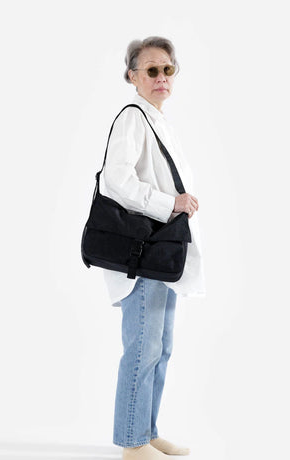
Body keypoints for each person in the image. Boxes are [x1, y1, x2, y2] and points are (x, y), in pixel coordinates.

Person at [99, 36, 206, 460]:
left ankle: (146, 430)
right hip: (141, 255)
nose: (162, 77)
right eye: (151, 70)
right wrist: (171, 203)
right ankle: (132, 443)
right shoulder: (132, 118)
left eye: (168, 69)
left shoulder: (159, 122)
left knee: (159, 349)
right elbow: (116, 181)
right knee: (143, 349)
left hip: (161, 255)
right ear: (133, 76)